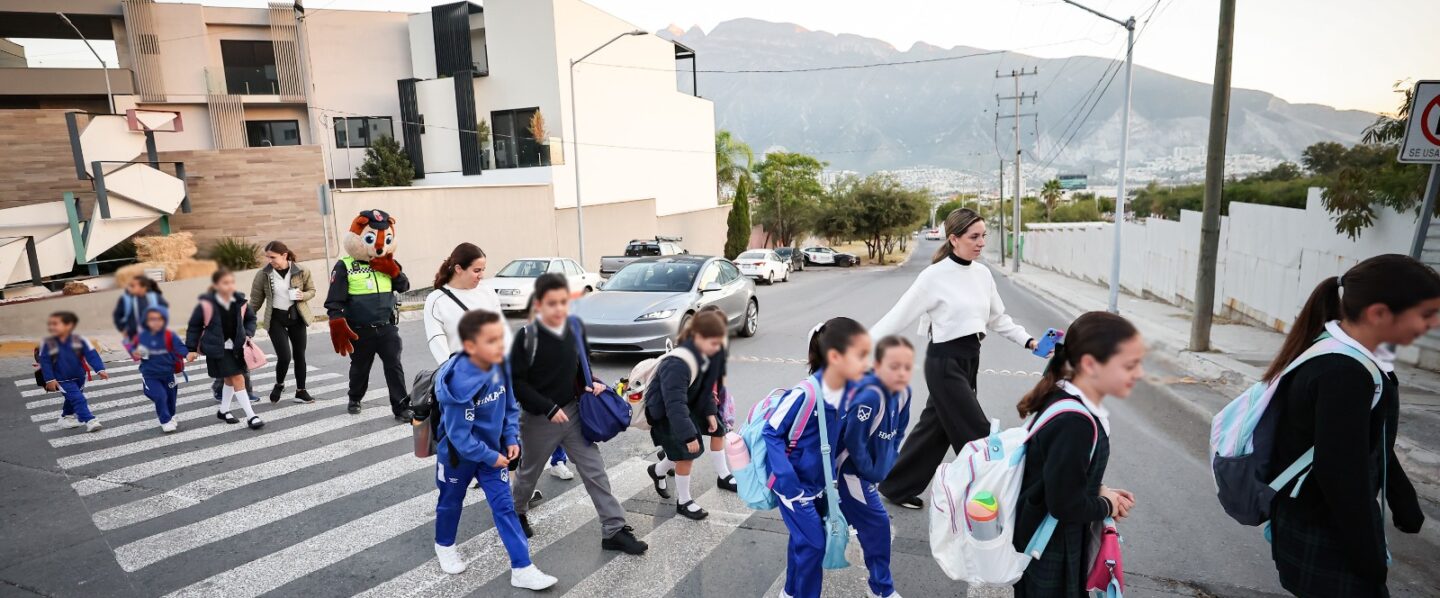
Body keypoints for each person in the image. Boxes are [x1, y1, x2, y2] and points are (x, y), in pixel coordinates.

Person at [1266, 254, 1437, 597]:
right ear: (1379, 314)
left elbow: (1366, 440)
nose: (1432, 325)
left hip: (1313, 522)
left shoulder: (1344, 354)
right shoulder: (1344, 372)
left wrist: (1402, 496)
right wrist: (1368, 557)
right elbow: (1339, 473)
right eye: (1425, 314)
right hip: (1326, 533)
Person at [869, 208, 1040, 509]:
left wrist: (1029, 341)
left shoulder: (982, 274)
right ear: (954, 239)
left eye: (983, 236)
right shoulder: (934, 276)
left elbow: (998, 319)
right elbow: (898, 316)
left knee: (933, 431)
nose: (981, 243)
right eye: (974, 237)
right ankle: (1004, 494)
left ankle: (896, 486)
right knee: (977, 432)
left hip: (969, 359)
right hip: (944, 363)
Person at [508, 273, 648, 553]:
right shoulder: (525, 337)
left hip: (573, 413)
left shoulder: (574, 329)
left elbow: (579, 366)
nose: (559, 309)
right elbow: (517, 384)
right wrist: (548, 408)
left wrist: (591, 383)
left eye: (563, 302)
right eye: (552, 303)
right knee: (528, 472)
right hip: (539, 419)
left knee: (595, 470)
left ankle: (614, 529)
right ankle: (517, 512)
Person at [1012, 311, 1142, 597]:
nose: (1137, 373)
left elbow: (1060, 472)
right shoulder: (1075, 421)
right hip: (1051, 550)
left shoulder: (1064, 396)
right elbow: (1064, 505)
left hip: (1044, 540)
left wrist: (1100, 489)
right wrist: (1106, 505)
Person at [431, 310, 557, 590]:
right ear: (470, 346)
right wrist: (492, 456)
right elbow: (459, 437)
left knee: (505, 507)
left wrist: (511, 438)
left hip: (493, 453)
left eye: (501, 338)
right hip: (458, 457)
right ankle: (444, 545)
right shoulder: (459, 384)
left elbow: (509, 406)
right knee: (451, 501)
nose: (500, 345)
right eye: (491, 340)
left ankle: (522, 568)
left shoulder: (499, 365)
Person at [767, 317, 871, 598]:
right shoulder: (804, 394)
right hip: (794, 487)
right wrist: (788, 481)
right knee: (814, 545)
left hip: (819, 485)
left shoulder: (844, 392)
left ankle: (790, 592)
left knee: (802, 542)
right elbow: (771, 431)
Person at [837, 335, 915, 598]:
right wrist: (870, 470)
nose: (901, 372)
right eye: (894, 366)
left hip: (870, 473)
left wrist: (889, 460)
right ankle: (881, 589)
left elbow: (900, 430)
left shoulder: (904, 392)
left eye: (907, 366)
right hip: (852, 473)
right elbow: (853, 440)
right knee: (877, 525)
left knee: (834, 520)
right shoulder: (870, 396)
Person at [326, 209, 411, 419]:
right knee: (360, 368)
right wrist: (336, 320)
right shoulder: (345, 265)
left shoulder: (388, 262)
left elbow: (404, 286)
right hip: (360, 330)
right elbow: (335, 299)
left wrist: (394, 272)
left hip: (386, 326)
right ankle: (355, 397)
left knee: (394, 366)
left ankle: (401, 407)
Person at [644, 309, 728, 520]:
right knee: (685, 454)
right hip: (667, 414)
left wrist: (710, 413)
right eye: (714, 342)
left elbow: (704, 388)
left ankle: (657, 470)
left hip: (684, 408)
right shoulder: (676, 364)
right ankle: (684, 501)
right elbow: (673, 404)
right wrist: (689, 436)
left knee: (682, 451)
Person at [187, 268, 264, 430]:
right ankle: (251, 416)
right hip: (217, 348)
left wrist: (248, 333)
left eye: (231, 282)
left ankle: (223, 411)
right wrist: (191, 348)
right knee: (238, 378)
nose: (230, 286)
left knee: (229, 379)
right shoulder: (206, 305)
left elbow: (251, 319)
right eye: (225, 283)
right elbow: (194, 326)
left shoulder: (241, 302)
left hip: (236, 347)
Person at [249, 240, 317, 404]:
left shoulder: (301, 270)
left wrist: (303, 295)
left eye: (272, 257)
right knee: (284, 357)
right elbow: (255, 301)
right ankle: (279, 384)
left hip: (297, 317)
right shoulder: (263, 274)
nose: (269, 260)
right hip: (275, 319)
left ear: (284, 255)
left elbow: (312, 290)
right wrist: (244, 320)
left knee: (299, 355)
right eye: (267, 257)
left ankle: (301, 391)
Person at [423, 242, 513, 364]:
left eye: (483, 270)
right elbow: (436, 340)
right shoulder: (436, 300)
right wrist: (450, 370)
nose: (481, 276)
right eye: (476, 270)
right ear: (458, 269)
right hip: (462, 372)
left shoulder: (487, 292)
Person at [39, 311, 110, 432]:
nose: (52, 327)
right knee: (78, 398)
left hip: (79, 377)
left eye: (56, 324)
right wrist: (50, 379)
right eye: (51, 324)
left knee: (72, 398)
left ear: (69, 325)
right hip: (62, 379)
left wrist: (100, 369)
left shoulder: (80, 340)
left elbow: (91, 354)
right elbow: (45, 362)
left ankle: (66, 417)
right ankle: (90, 420)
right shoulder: (48, 343)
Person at [126, 305, 188, 433]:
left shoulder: (169, 335)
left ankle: (171, 415)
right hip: (151, 375)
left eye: (159, 319)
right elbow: (132, 348)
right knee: (160, 395)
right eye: (152, 319)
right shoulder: (142, 337)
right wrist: (135, 352)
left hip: (169, 374)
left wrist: (187, 354)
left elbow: (180, 347)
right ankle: (165, 420)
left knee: (171, 399)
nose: (156, 322)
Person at [113, 276, 167, 342]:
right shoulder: (126, 299)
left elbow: (164, 309)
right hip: (133, 336)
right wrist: (122, 329)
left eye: (133, 286)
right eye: (130, 285)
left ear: (143, 287)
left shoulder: (154, 297)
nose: (130, 288)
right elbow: (117, 315)